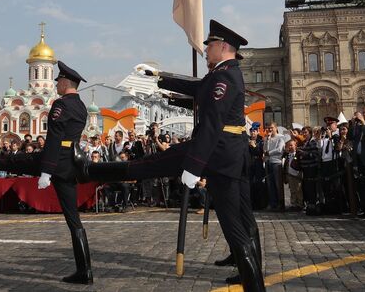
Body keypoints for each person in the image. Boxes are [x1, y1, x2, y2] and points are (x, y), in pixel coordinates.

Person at [74, 20, 264, 291]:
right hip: (226, 153)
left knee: (152, 166)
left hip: (216, 153)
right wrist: (158, 76)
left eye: (209, 45)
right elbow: (198, 89)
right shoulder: (225, 73)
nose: (206, 50)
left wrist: (195, 166)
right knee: (240, 226)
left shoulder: (224, 77)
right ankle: (91, 172)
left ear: (223, 47)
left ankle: (90, 172)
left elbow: (211, 122)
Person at [0, 60, 93, 284]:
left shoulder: (60, 105)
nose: (56, 84)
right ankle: (85, 271)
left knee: (9, 161)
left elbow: (54, 139)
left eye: (59, 81)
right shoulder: (81, 106)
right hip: (70, 163)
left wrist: (46, 171)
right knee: (74, 220)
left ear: (65, 82)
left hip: (54, 161)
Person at [263, 122, 285, 210]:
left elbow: (280, 149)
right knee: (270, 184)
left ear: (276, 128)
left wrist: (269, 153)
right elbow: (265, 150)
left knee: (277, 184)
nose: (270, 129)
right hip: (269, 162)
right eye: (268, 128)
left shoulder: (280, 137)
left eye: (271, 127)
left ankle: (280, 203)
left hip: (277, 162)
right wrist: (267, 140)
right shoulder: (267, 138)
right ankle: (273, 203)